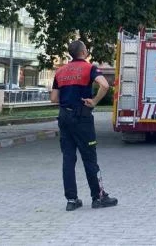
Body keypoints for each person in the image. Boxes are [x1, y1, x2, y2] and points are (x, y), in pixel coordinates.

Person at [51, 40, 117, 211]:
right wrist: (94, 101)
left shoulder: (60, 71)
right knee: (89, 157)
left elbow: (53, 98)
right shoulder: (90, 68)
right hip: (82, 117)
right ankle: (98, 197)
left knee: (68, 159)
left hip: (64, 117)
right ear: (84, 52)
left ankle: (71, 200)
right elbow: (105, 85)